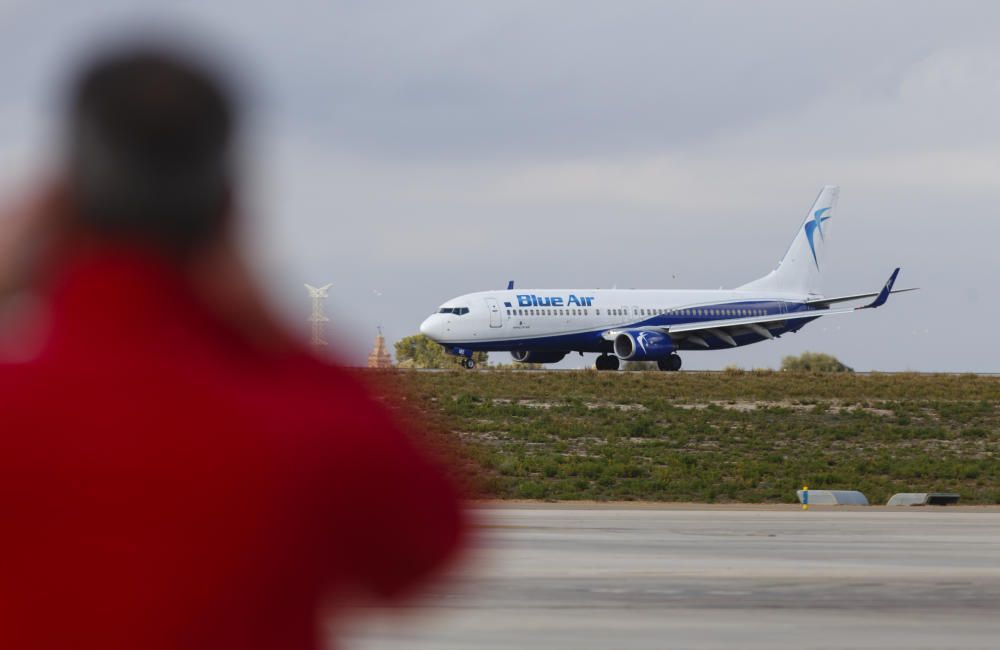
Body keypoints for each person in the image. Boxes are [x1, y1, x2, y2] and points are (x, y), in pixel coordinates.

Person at [0, 44, 465, 650]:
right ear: (226, 206)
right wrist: (276, 331)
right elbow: (426, 545)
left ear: (57, 201)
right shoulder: (308, 423)